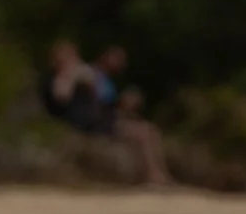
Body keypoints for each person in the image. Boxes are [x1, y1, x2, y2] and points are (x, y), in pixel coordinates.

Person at [41, 39, 170, 185]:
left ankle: (159, 174)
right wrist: (72, 75)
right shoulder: (58, 79)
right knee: (143, 133)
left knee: (150, 131)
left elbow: (100, 99)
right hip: (87, 124)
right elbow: (61, 97)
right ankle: (154, 177)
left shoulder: (84, 75)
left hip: (98, 120)